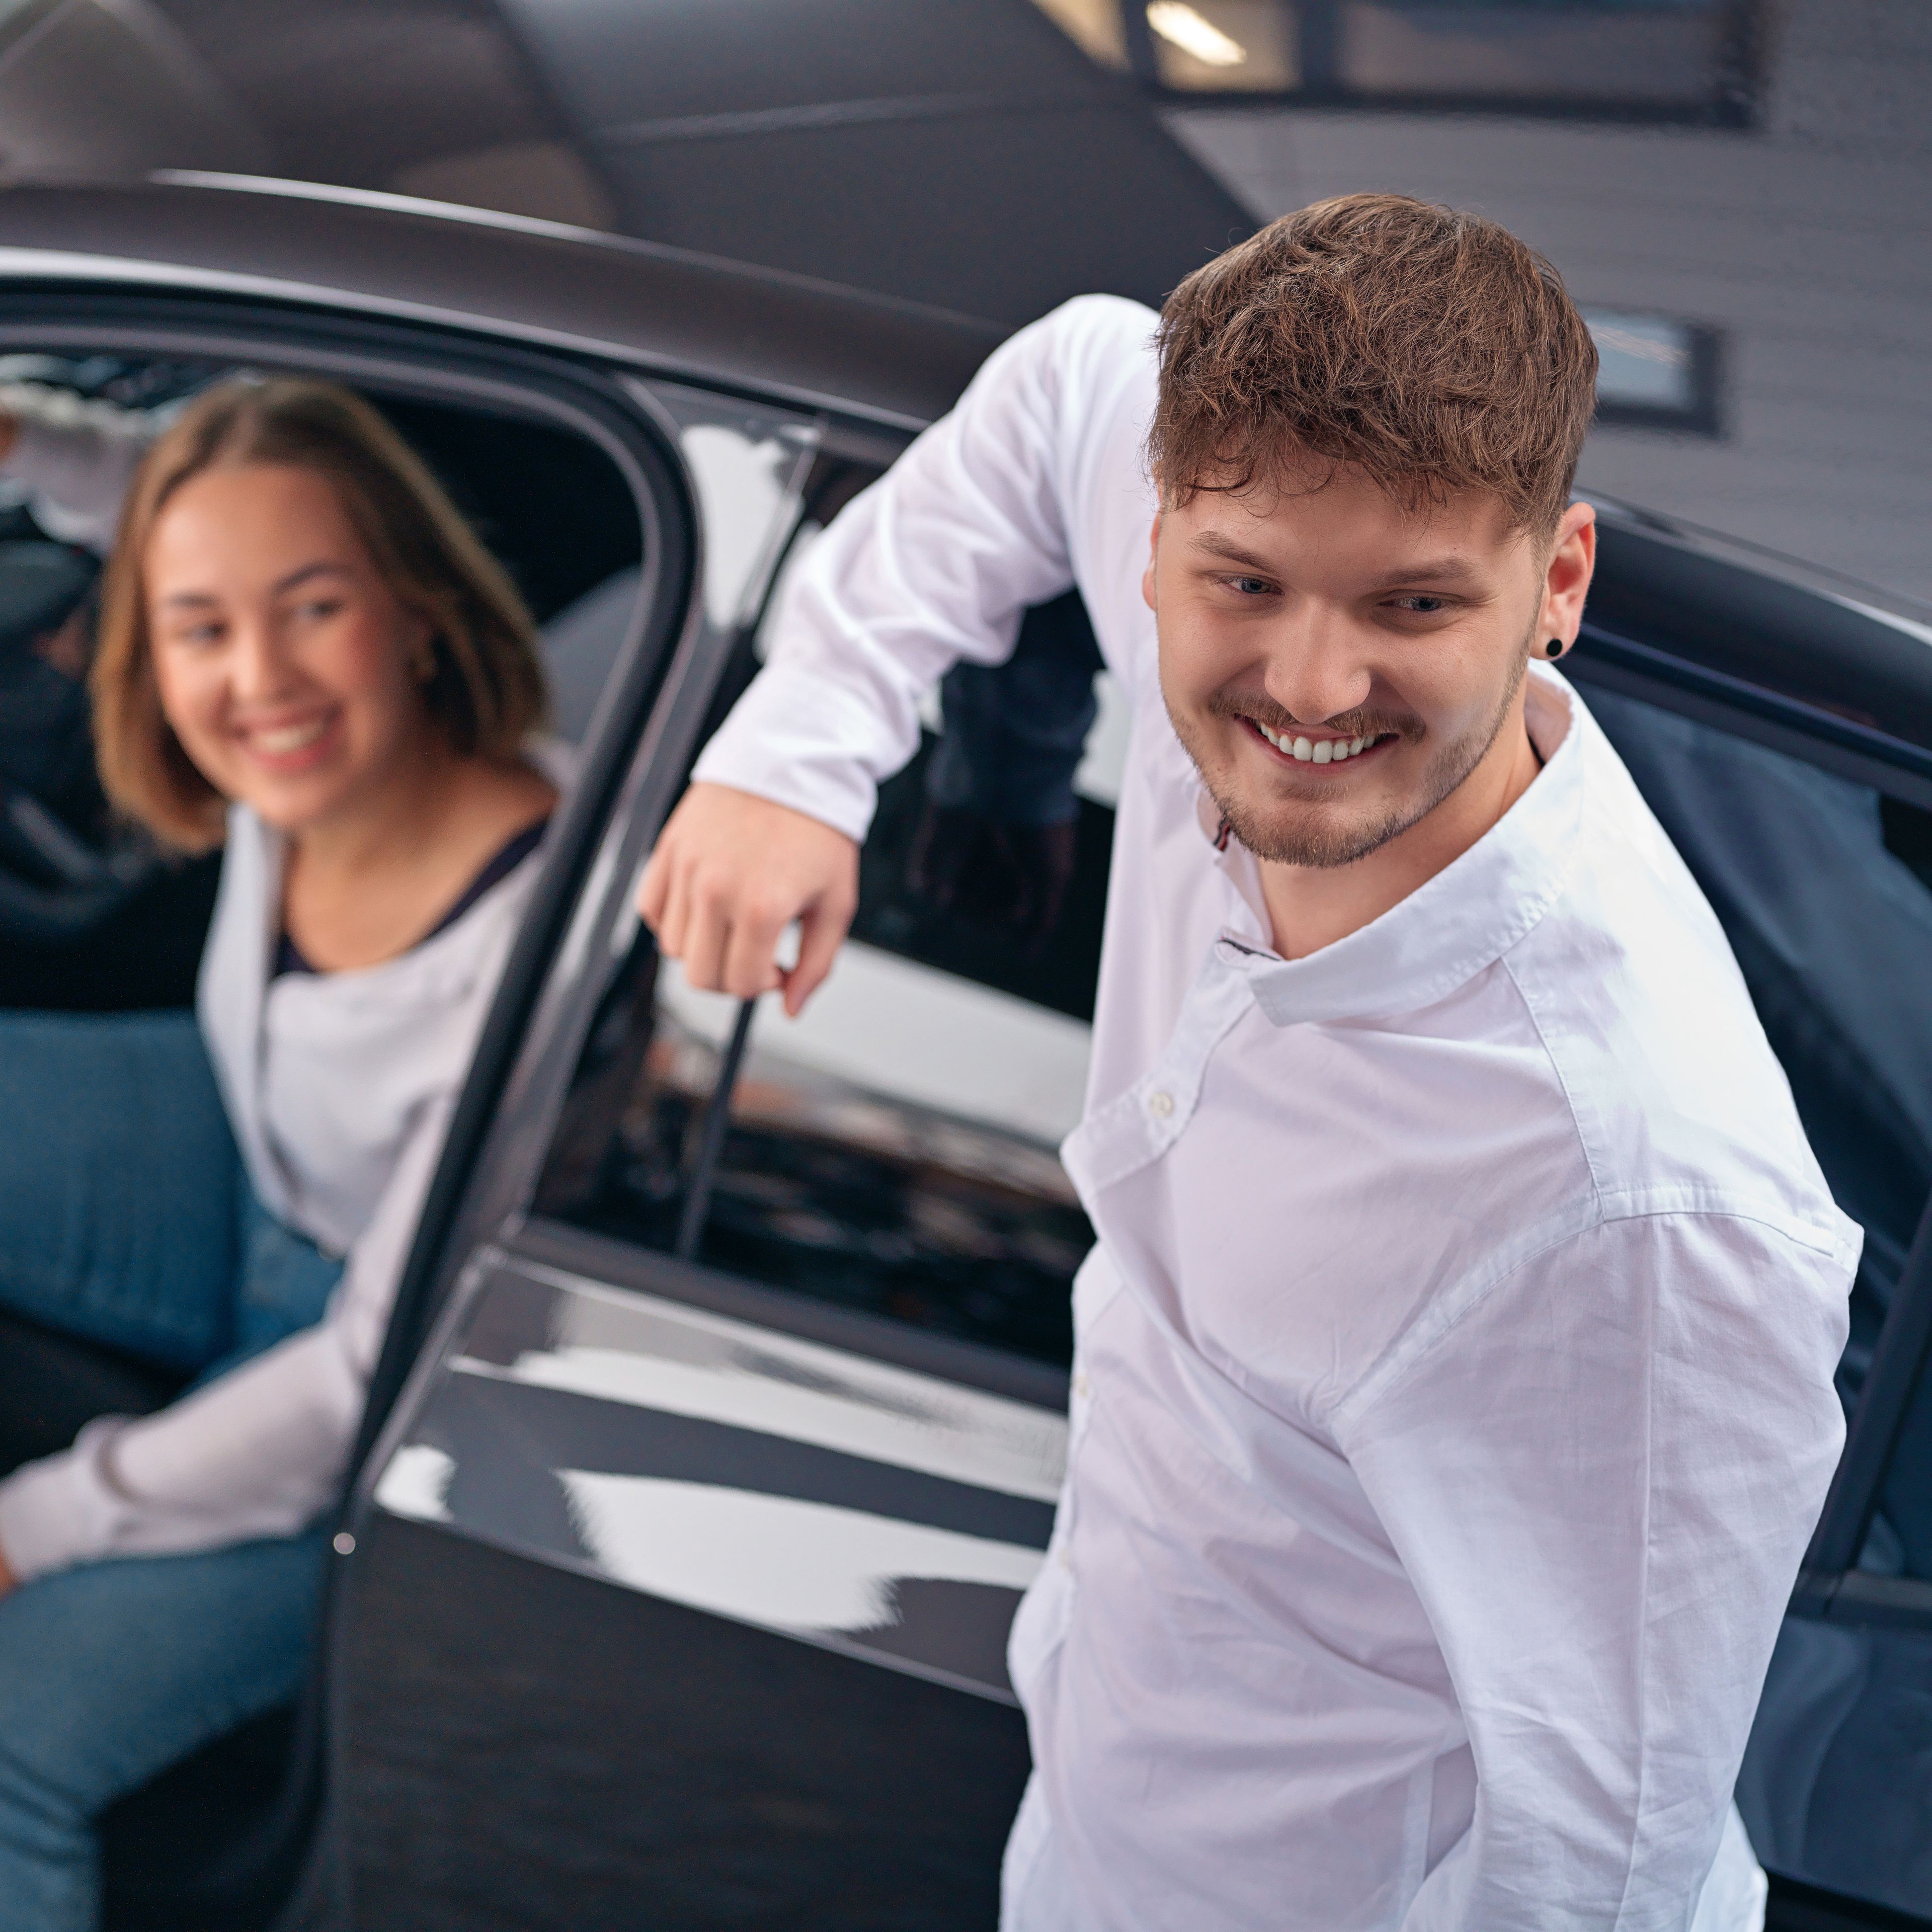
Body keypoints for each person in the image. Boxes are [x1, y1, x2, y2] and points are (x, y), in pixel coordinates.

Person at [637, 195, 1857, 1928]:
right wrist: (799, 747)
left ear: (1556, 583)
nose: (1310, 682)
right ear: (1158, 548)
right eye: (1245, 586)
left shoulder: (1638, 1195)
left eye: (1415, 602)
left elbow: (1602, 1881)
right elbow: (1067, 379)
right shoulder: (1227, 595)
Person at [0, 376, 561, 1930]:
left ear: (419, 611)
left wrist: (33, 1524)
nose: (258, 678)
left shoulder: (521, 957)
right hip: (249, 1173)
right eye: (200, 630)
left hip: (384, 1407)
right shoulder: (278, 746)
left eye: (315, 610)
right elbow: (173, 505)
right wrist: (25, 440)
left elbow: (345, 1391)